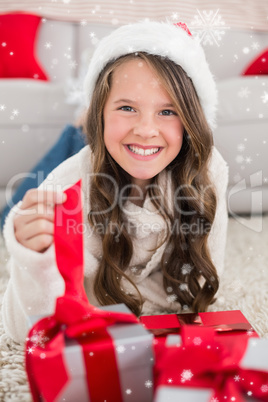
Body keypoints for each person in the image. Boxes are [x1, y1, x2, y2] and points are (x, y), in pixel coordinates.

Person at [2, 21, 228, 343]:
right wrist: (32, 262)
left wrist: (95, 301)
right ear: (100, 114)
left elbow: (199, 294)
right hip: (81, 166)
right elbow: (26, 331)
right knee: (14, 219)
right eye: (126, 108)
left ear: (191, 120)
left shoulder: (208, 171)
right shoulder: (66, 188)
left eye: (168, 111)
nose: (146, 129)